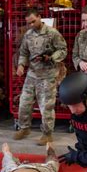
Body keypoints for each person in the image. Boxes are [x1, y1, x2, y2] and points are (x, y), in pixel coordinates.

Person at [14, 8, 68, 146]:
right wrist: (21, 65)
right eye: (28, 23)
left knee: (46, 106)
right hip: (31, 74)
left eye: (33, 21)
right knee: (24, 103)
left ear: (39, 16)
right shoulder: (28, 35)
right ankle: (24, 128)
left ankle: (47, 133)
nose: (31, 25)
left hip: (48, 75)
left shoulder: (52, 33)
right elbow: (24, 52)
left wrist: (51, 58)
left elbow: (63, 50)